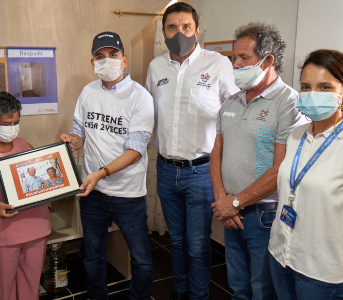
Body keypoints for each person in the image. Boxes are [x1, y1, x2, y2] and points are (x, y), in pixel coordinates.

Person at [269, 49, 343, 300]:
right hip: (282, 255)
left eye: (324, 87)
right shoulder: (296, 136)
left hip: (324, 272)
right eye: (306, 86)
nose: (312, 95)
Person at [144, 2, 239, 299]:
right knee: (176, 240)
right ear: (163, 32)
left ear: (198, 30)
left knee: (198, 244)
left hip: (201, 171)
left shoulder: (217, 64)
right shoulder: (156, 66)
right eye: (172, 27)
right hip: (165, 169)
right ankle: (180, 289)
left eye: (186, 27)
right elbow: (148, 111)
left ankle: (198, 295)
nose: (179, 32)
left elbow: (234, 113)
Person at [210, 22, 304, 300]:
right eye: (233, 58)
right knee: (237, 286)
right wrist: (222, 199)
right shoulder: (230, 103)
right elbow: (216, 151)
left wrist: (234, 203)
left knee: (263, 290)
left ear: (268, 60)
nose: (235, 64)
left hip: (264, 215)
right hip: (230, 212)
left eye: (243, 58)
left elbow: (281, 168)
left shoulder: (288, 103)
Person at [59, 31, 154, 300]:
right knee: (93, 255)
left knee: (141, 258)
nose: (107, 60)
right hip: (94, 193)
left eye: (113, 55)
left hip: (127, 193)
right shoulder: (88, 92)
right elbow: (80, 133)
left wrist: (100, 174)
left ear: (124, 60)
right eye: (100, 56)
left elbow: (135, 151)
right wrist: (72, 140)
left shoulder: (140, 97)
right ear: (92, 63)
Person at [0, 91, 51, 300]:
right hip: (0, 236)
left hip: (35, 230)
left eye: (16, 122)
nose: (13, 128)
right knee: (1, 293)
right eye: (7, 124)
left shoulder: (25, 145)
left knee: (30, 290)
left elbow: (42, 181)